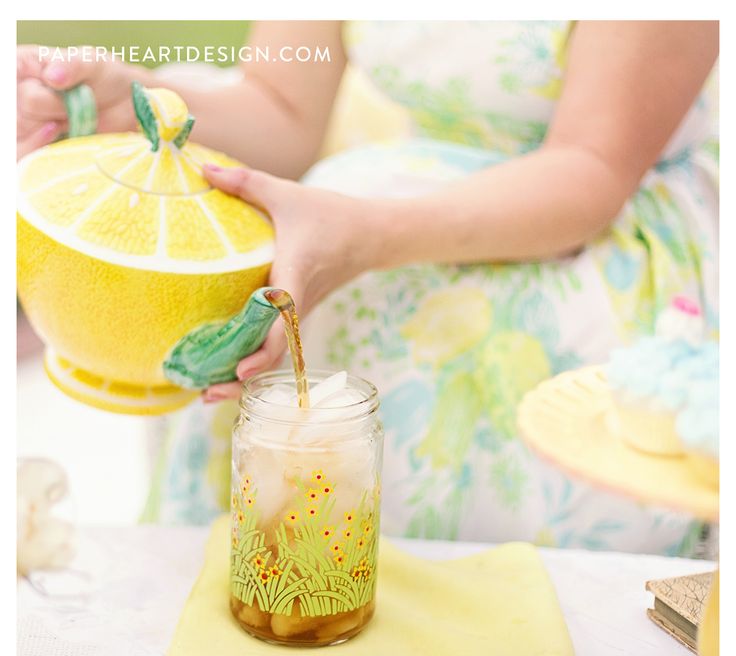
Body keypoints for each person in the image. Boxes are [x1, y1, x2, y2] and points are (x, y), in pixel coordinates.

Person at [17, 20, 719, 548]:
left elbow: (589, 170)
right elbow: (282, 108)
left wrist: (365, 235)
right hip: (352, 231)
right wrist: (130, 104)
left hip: (584, 248)